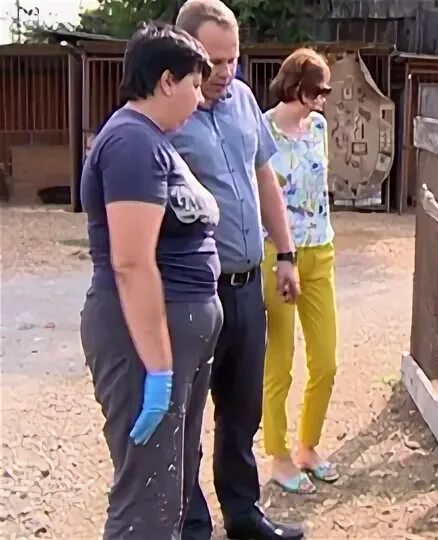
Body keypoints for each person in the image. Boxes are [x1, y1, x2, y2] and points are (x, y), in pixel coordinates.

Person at [79, 22, 222, 539]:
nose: (199, 98)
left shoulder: (155, 141)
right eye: (194, 85)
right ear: (166, 81)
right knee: (147, 498)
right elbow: (132, 261)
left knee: (171, 490)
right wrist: (158, 369)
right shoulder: (132, 143)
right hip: (144, 338)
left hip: (180, 330)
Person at [170, 1, 304, 539]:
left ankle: (244, 515)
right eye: (215, 61)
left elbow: (264, 178)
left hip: (248, 286)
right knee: (185, 419)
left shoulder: (244, 101)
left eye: (234, 60)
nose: (226, 72)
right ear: (188, 54)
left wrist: (287, 253)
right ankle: (192, 525)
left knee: (242, 411)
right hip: (195, 292)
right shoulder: (168, 117)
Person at [260, 48, 339, 495]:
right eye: (320, 89)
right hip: (276, 256)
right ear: (298, 87)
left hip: (320, 250)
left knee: (326, 359)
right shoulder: (263, 129)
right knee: (280, 360)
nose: (326, 98)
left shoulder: (320, 127)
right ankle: (279, 455)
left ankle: (309, 445)